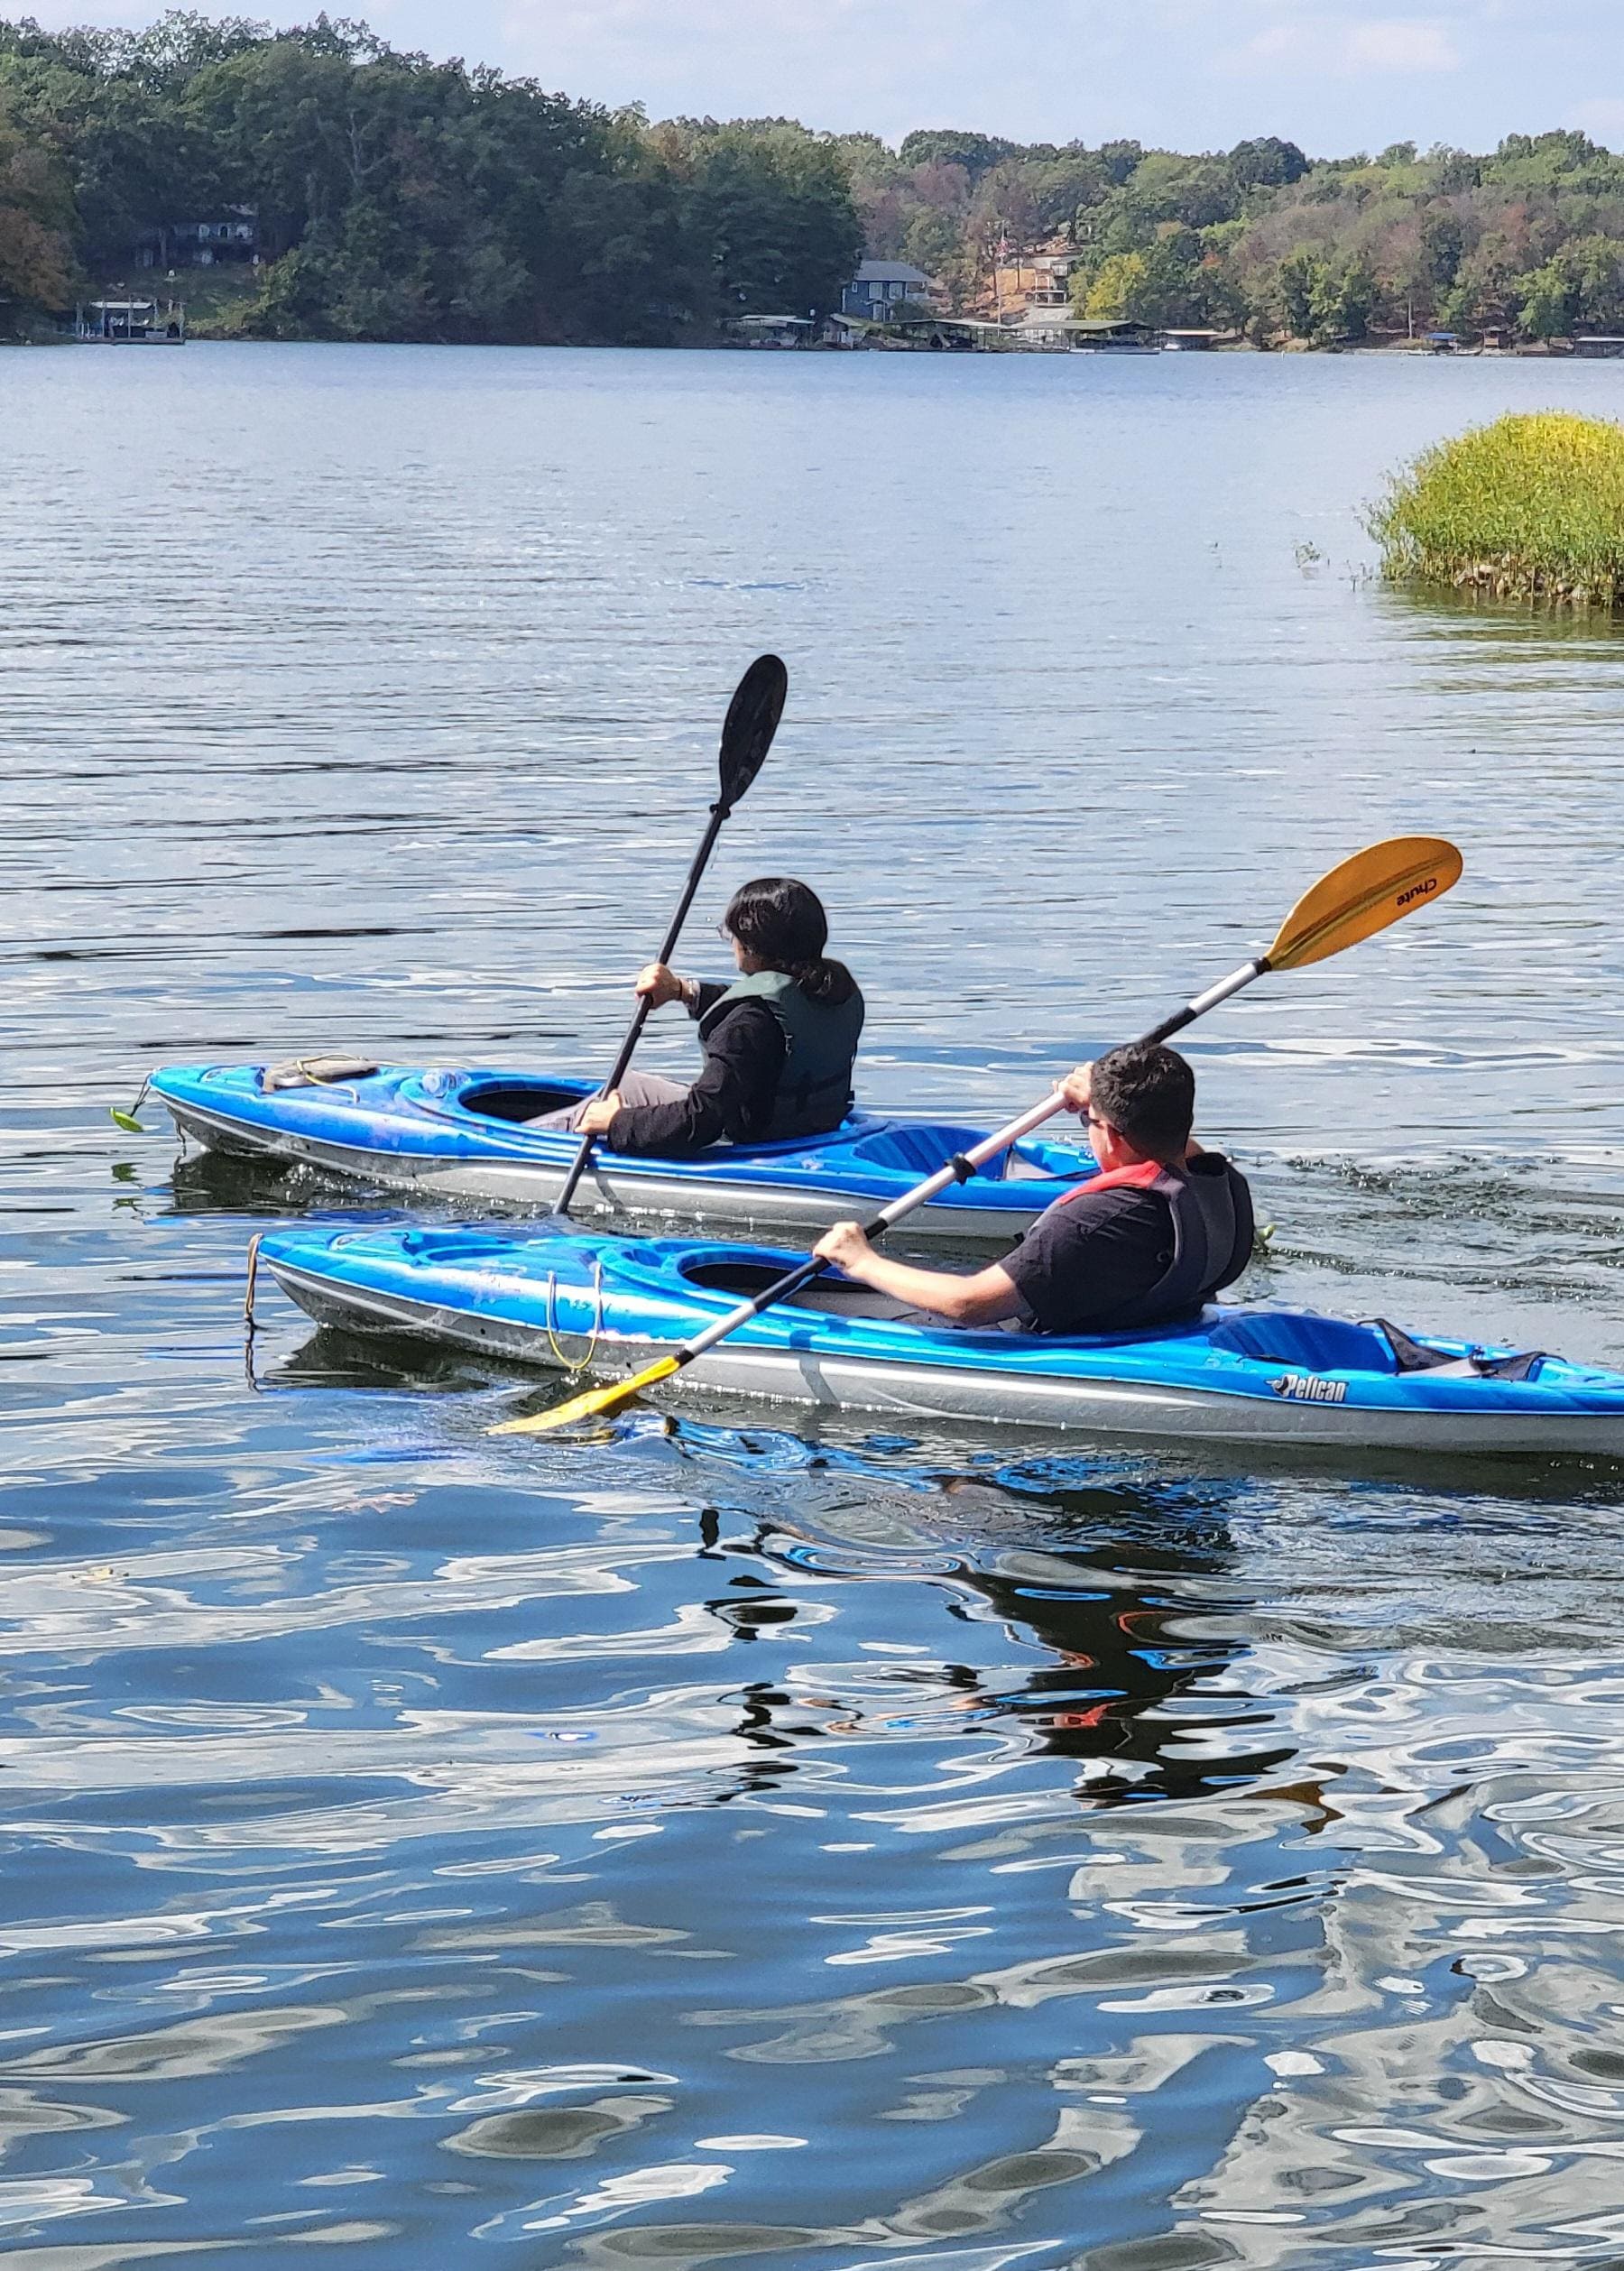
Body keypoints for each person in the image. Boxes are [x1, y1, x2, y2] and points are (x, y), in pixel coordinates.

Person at [813, 1042, 1253, 1335]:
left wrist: (861, 1260)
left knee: (827, 1300)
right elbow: (1169, 1140)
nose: (1085, 1129)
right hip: (1153, 1316)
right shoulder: (1221, 1184)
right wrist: (1101, 1096)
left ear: (1114, 1135)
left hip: (1008, 1337)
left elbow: (967, 1305)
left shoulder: (1090, 1223)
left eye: (1088, 1121)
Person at [540, 877, 864, 1157]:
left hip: (745, 1142)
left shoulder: (746, 1025)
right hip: (805, 1132)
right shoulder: (832, 991)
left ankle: (525, 1142)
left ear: (750, 946)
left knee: (605, 1101)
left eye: (732, 935)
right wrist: (681, 990)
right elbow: (764, 1012)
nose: (732, 943)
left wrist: (617, 1122)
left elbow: (700, 1121)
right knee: (628, 1082)